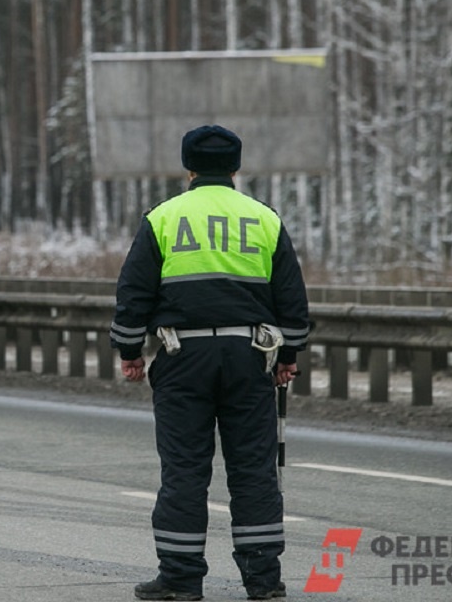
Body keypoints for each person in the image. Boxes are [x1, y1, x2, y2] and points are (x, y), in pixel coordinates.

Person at [109, 124, 310, 602]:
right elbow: (292, 300)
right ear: (236, 168)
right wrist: (287, 355)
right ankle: (263, 581)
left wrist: (130, 351)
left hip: (183, 356)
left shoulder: (162, 218)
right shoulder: (264, 218)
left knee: (184, 469)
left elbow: (134, 292)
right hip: (250, 356)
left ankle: (180, 581)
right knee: (254, 469)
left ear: (188, 168)